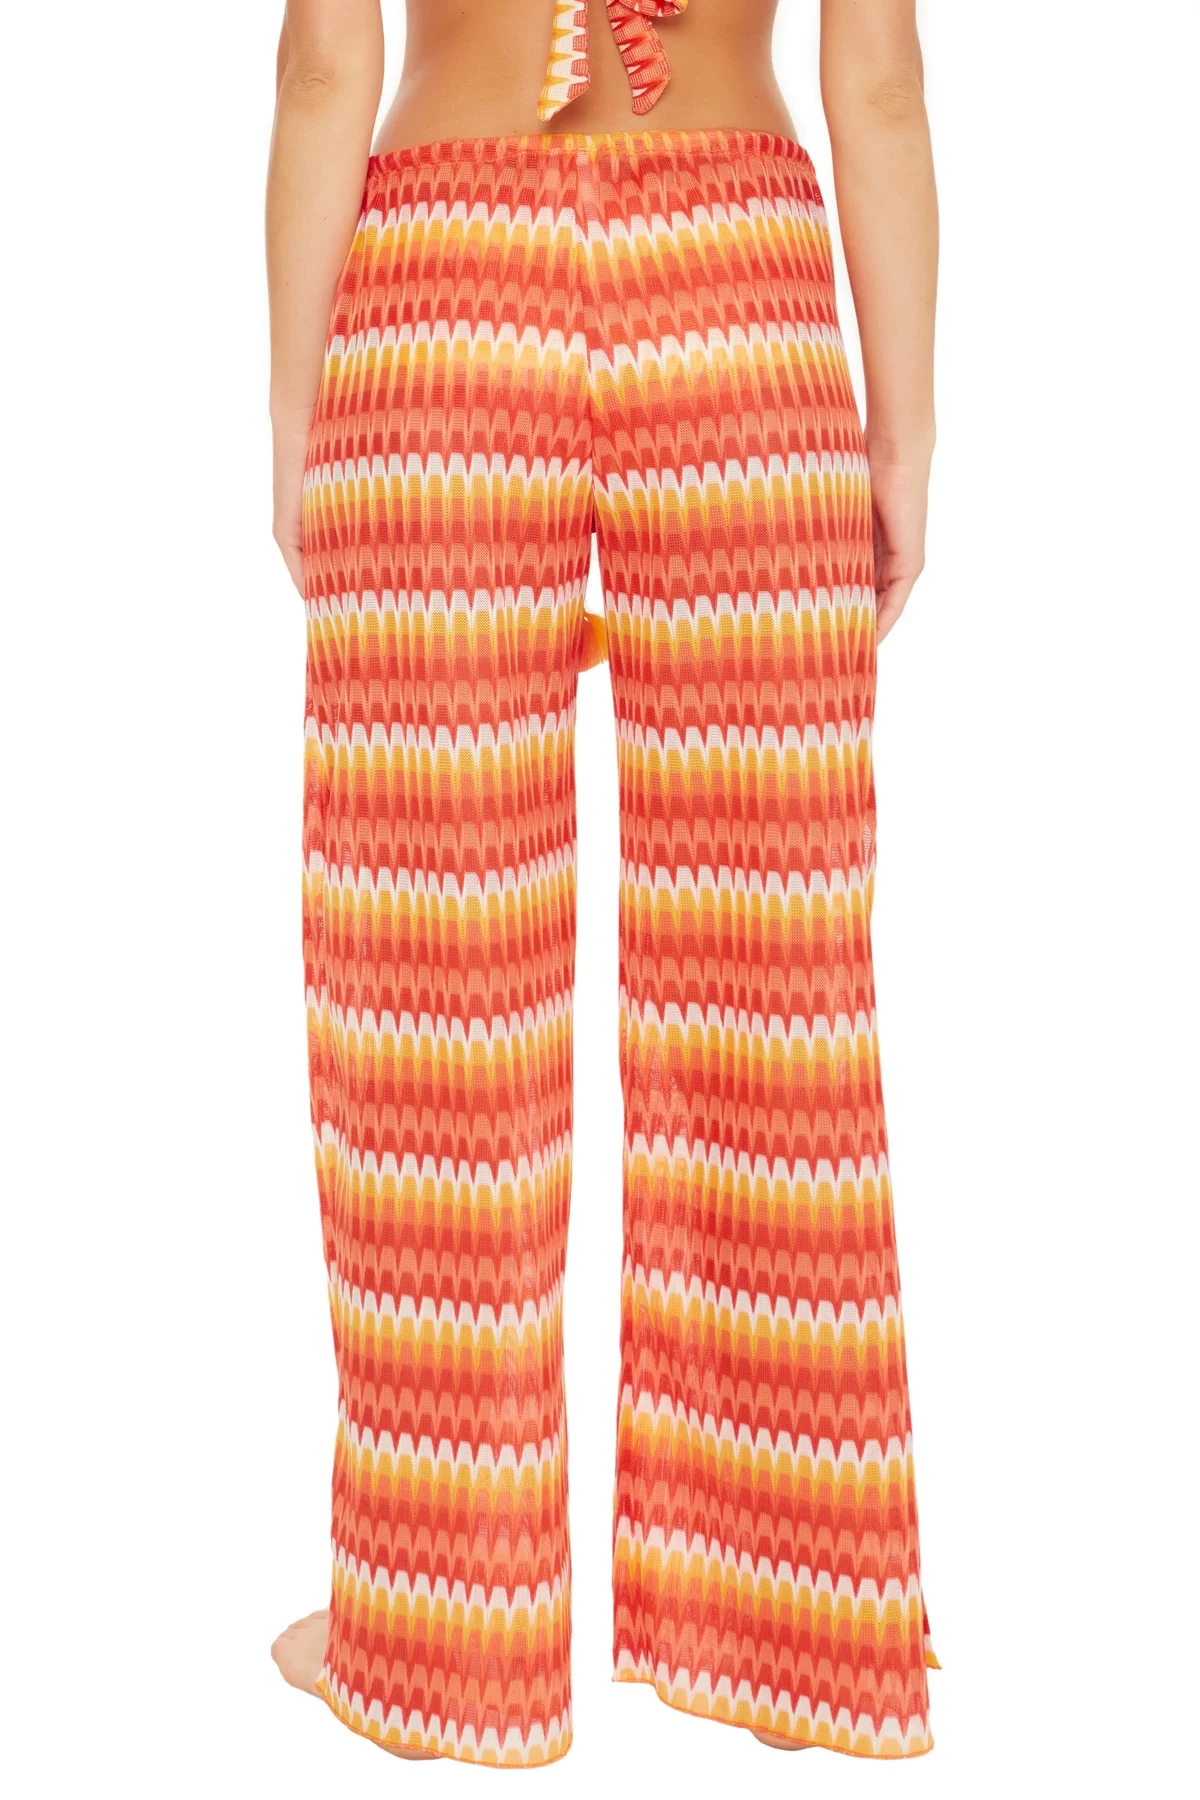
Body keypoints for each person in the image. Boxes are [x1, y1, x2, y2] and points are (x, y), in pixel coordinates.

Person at [265, 0, 939, 1767]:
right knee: (773, 970)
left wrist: (297, 411)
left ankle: (440, 1632)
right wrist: (902, 436)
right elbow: (876, 82)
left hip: (445, 293)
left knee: (433, 981)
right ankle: (792, 1616)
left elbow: (327, 64)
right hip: (738, 297)